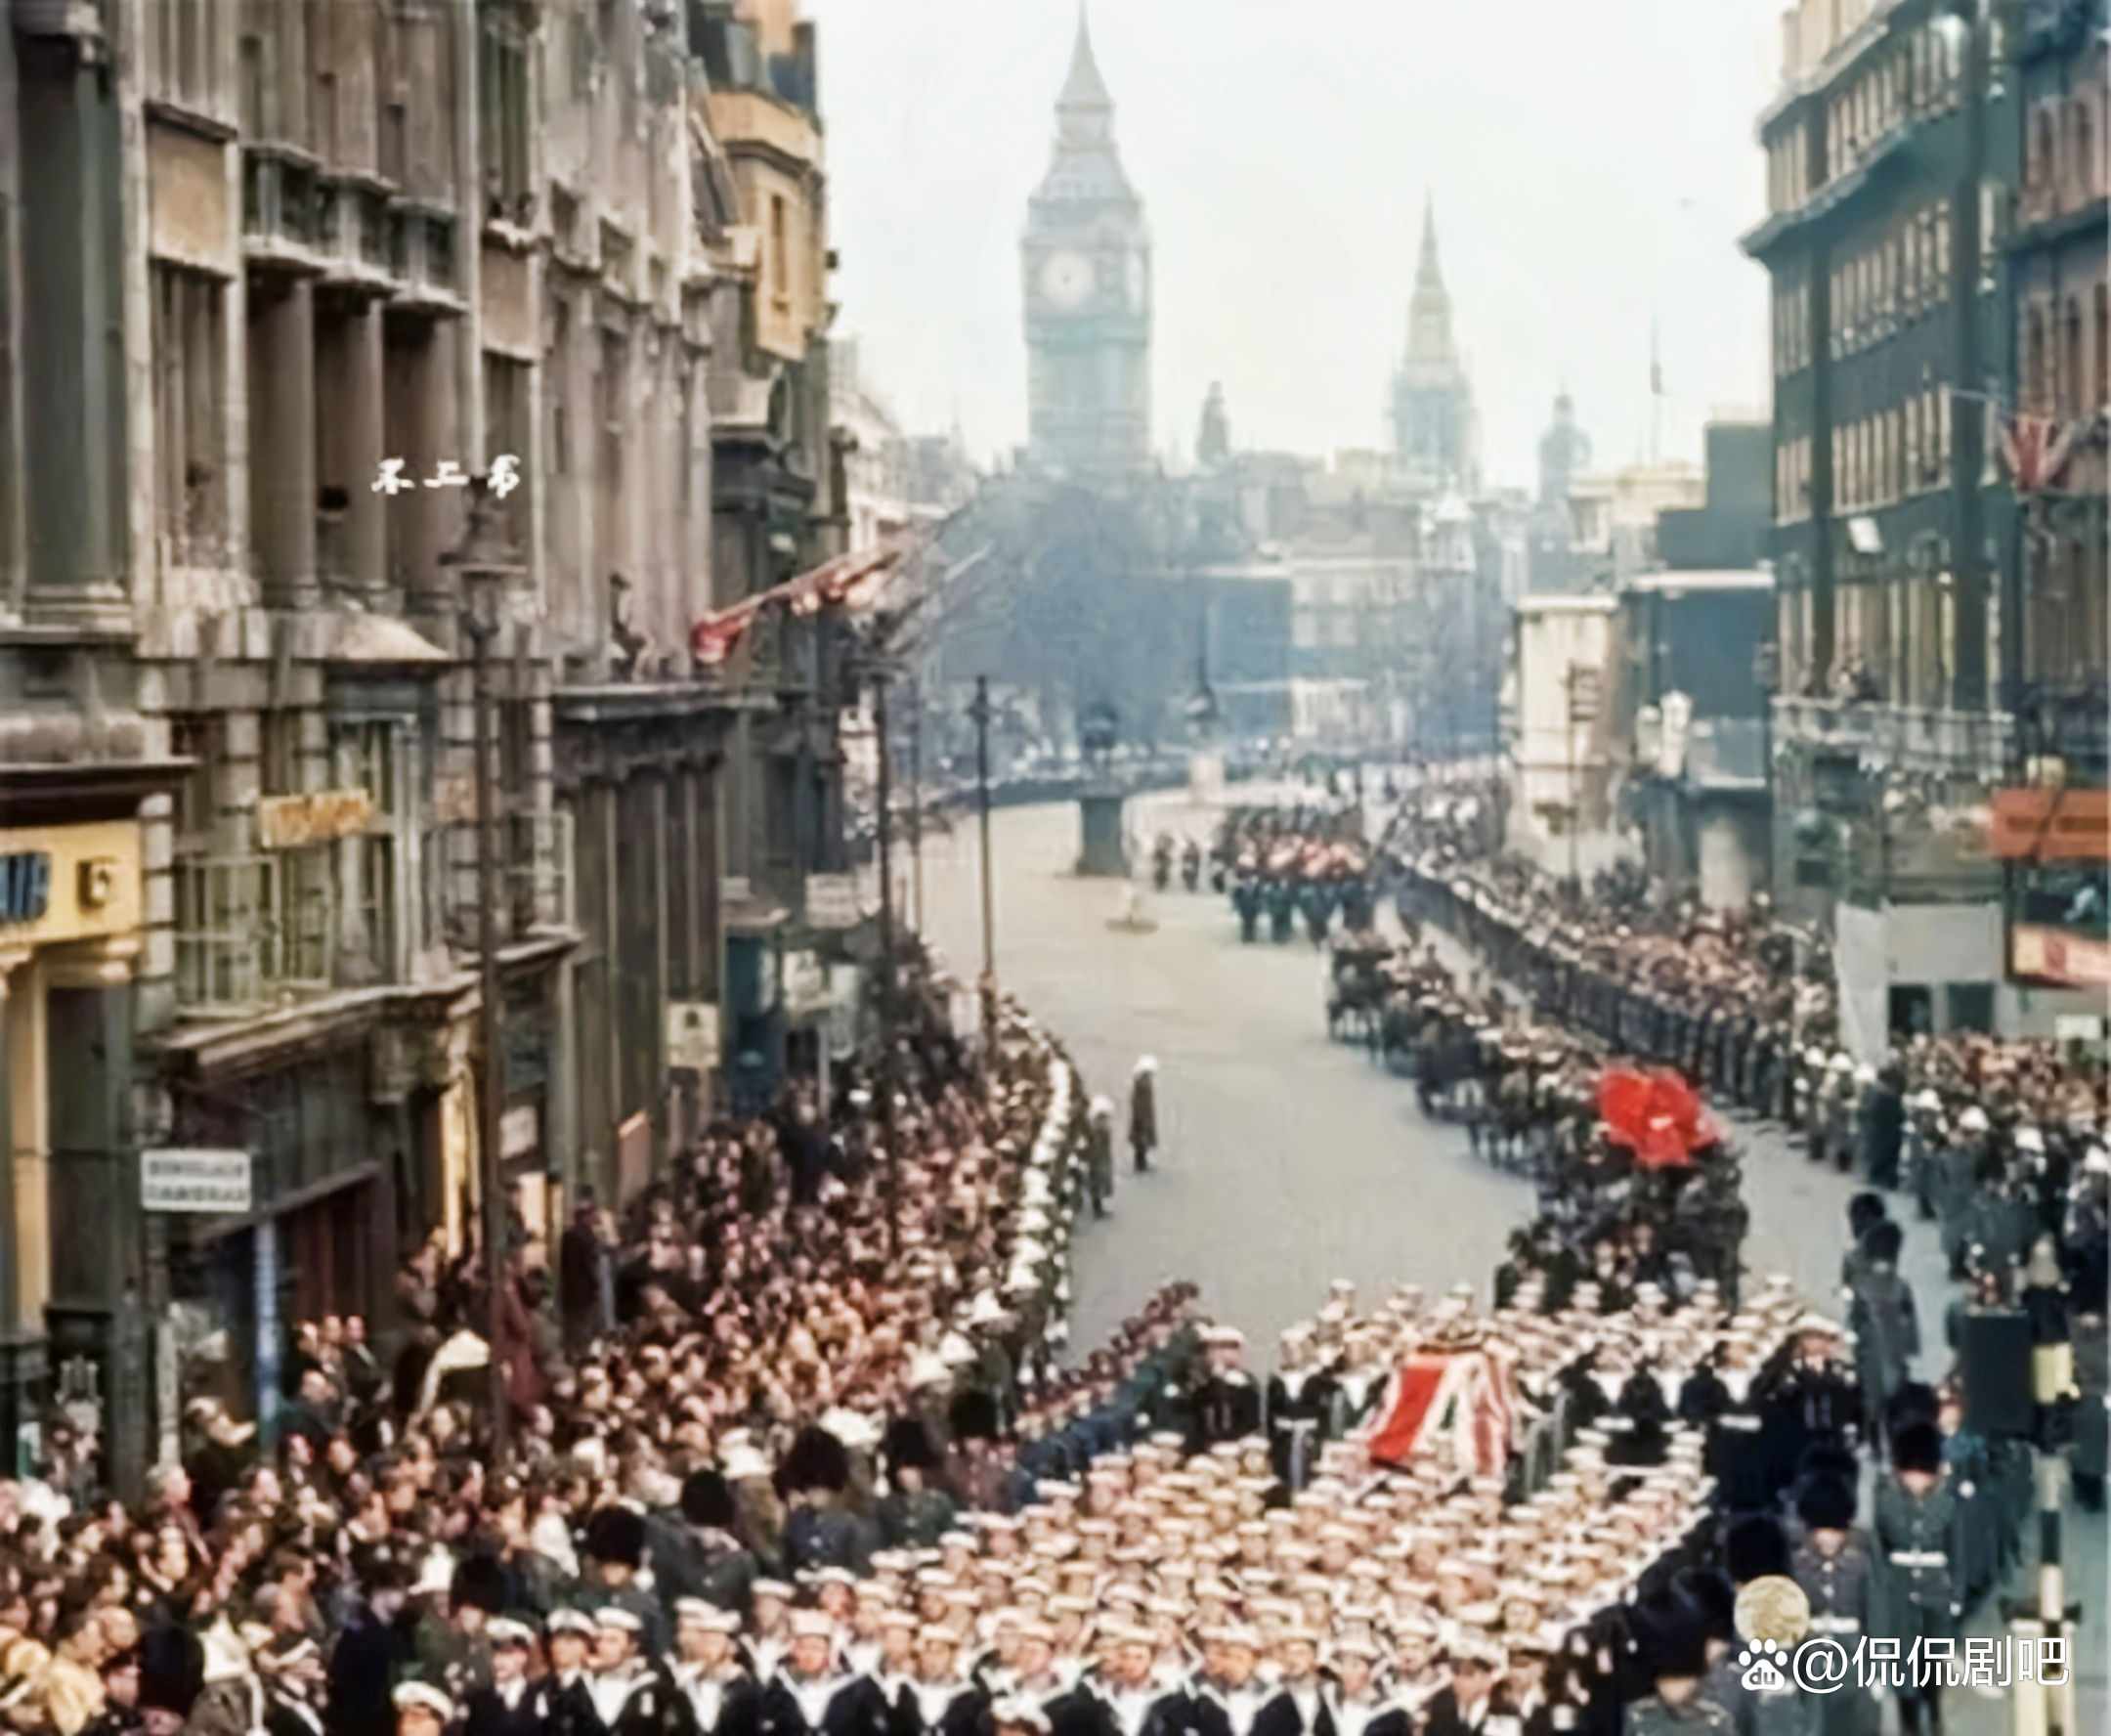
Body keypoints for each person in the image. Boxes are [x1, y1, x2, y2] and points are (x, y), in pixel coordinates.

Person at [1873, 1424, 1958, 1736]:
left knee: (1933, 1661)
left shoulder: (1947, 1502)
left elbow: (1956, 1550)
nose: (1917, 1481)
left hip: (1936, 1592)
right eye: (1911, 1473)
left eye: (1923, 1474)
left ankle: (1933, 1710)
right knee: (1903, 1665)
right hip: (1899, 1590)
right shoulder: (1886, 1500)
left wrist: (1956, 1595)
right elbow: (1879, 1549)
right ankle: (1910, 1723)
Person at [1128, 1061, 1158, 1176]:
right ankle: (1140, 1165)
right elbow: (1140, 1104)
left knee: (1141, 1142)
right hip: (1142, 1118)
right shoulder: (1143, 1086)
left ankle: (1142, 1163)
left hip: (1144, 1117)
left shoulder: (1142, 1085)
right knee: (1141, 1141)